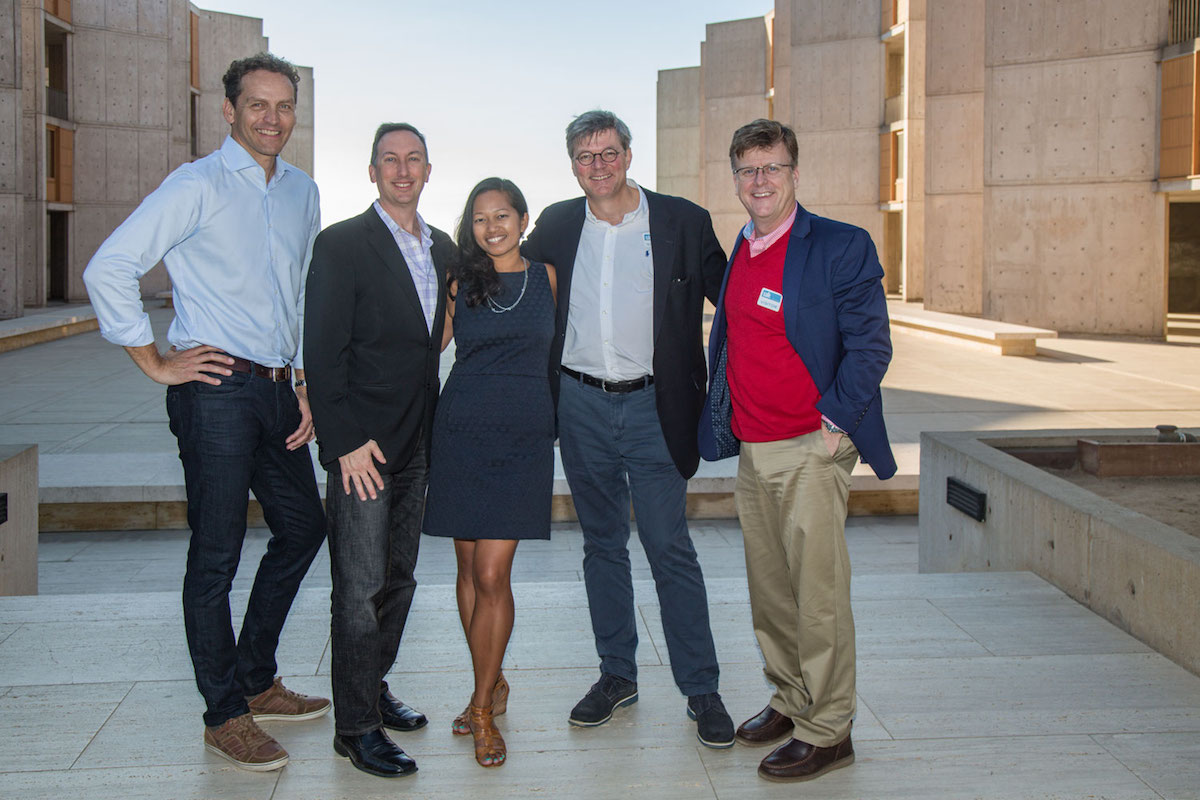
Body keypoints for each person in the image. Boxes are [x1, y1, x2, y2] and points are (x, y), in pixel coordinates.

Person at [82, 53, 329, 772]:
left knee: (303, 527)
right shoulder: (194, 185)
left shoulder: (302, 192)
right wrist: (156, 361)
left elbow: (298, 290)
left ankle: (256, 678)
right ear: (229, 110)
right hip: (214, 389)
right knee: (216, 554)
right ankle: (223, 712)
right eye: (258, 105)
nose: (272, 119)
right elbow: (111, 266)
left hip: (278, 388)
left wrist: (303, 380)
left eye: (284, 106)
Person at [523, 110, 735, 747]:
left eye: (608, 153)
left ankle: (702, 689)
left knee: (671, 549)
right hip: (581, 406)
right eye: (585, 157)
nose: (599, 166)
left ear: (629, 154)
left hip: (655, 409)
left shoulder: (682, 221)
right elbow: (515, 285)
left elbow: (735, 299)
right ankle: (617, 674)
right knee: (602, 546)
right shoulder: (559, 222)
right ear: (573, 165)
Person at [698, 118, 896, 782]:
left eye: (771, 168)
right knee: (772, 593)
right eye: (748, 170)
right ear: (736, 180)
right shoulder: (744, 248)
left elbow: (871, 346)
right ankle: (789, 698)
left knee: (818, 597)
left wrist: (834, 424)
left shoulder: (839, 245)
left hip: (810, 447)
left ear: (794, 174)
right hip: (755, 448)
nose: (759, 181)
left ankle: (829, 727)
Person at [303, 123, 454, 778]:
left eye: (412, 159)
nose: (401, 170)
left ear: (427, 170)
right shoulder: (341, 245)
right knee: (359, 587)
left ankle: (374, 684)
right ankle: (355, 726)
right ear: (371, 171)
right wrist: (342, 445)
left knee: (399, 578)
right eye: (389, 160)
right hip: (361, 448)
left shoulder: (444, 247)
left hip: (417, 440)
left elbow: (434, 341)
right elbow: (322, 352)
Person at [423, 177, 557, 768]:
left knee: (491, 570)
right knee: (467, 570)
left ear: (523, 219)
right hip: (462, 432)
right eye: (480, 218)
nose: (491, 227)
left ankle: (480, 710)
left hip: (524, 435)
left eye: (502, 215)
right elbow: (427, 352)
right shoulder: (458, 282)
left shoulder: (548, 278)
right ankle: (493, 682)